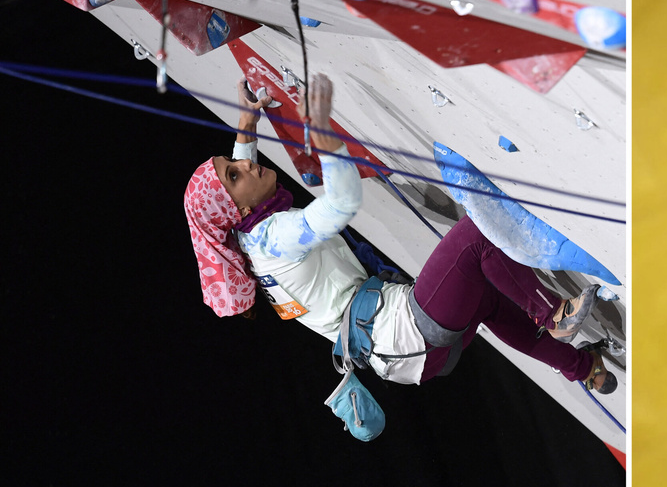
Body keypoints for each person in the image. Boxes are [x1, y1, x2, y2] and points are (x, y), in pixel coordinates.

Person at [183, 73, 614, 394]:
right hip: (406, 333)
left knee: (490, 299)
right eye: (236, 174)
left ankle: (585, 369)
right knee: (476, 236)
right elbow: (339, 206)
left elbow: (236, 183)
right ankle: (553, 315)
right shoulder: (274, 236)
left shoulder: (245, 235)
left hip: (407, 354)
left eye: (233, 162)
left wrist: (246, 125)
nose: (247, 166)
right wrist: (325, 136)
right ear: (238, 208)